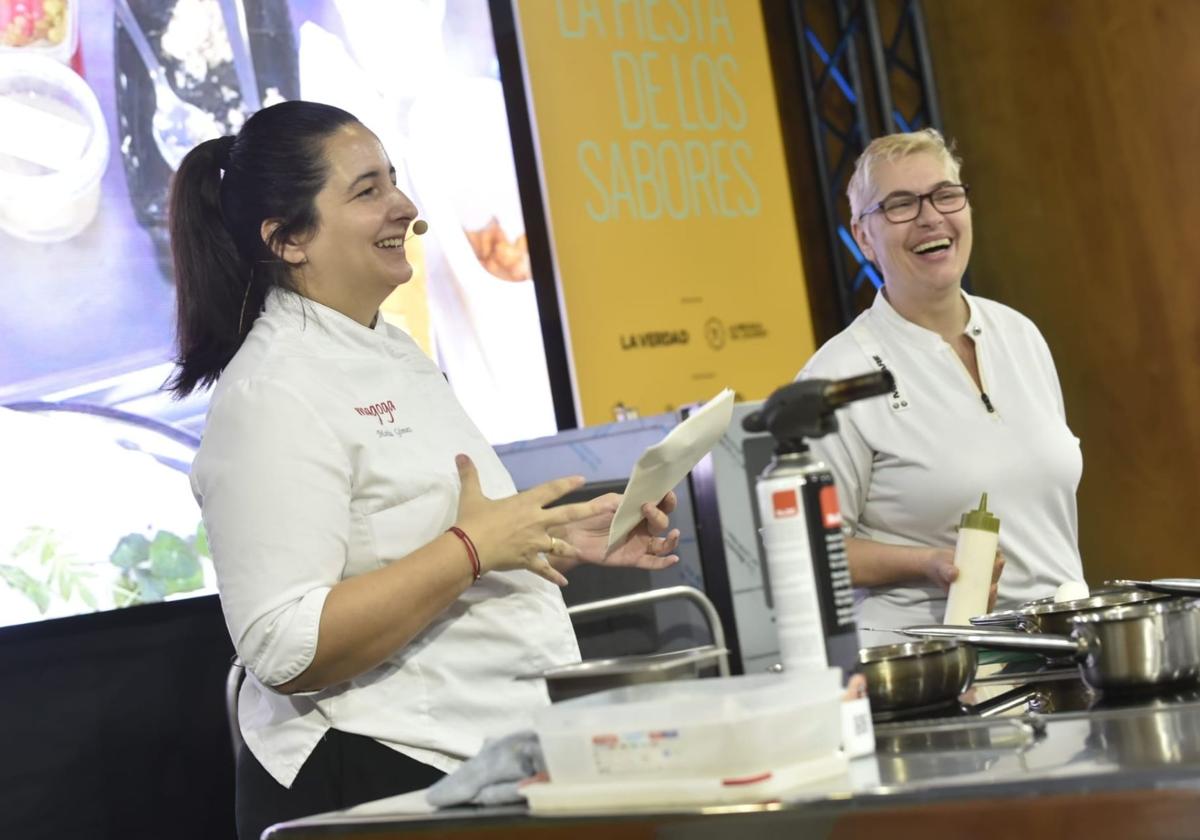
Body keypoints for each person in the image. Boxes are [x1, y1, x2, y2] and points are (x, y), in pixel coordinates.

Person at [167, 101, 681, 840]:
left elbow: (422, 531)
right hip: (372, 774)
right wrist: (471, 552)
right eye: (367, 190)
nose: (404, 206)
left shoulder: (395, 347)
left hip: (474, 759)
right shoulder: (269, 392)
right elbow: (283, 645)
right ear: (287, 240)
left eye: (395, 182)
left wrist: (563, 538)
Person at [798, 129, 1084, 645]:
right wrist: (925, 562)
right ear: (863, 237)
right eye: (901, 205)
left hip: (1060, 649)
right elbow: (809, 548)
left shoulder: (1020, 334)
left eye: (945, 195)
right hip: (935, 675)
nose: (931, 217)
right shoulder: (835, 378)